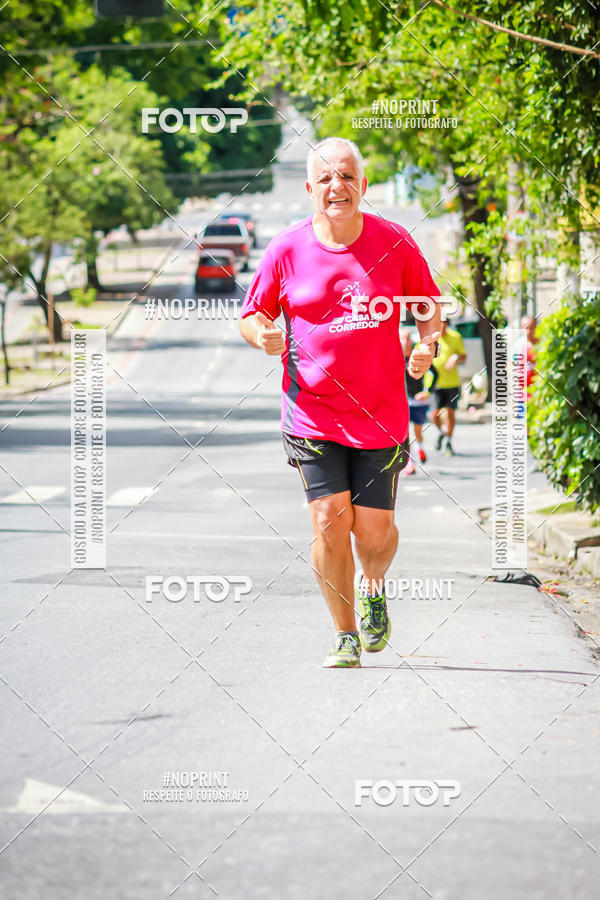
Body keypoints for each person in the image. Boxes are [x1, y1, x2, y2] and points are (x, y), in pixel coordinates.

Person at [239, 137, 441, 668]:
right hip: (312, 412)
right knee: (331, 519)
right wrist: (261, 334)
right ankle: (345, 632)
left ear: (363, 186)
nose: (337, 187)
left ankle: (373, 585)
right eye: (326, 178)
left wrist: (428, 344)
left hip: (382, 415)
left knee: (374, 534)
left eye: (347, 176)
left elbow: (427, 305)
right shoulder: (286, 249)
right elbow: (251, 314)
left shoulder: (395, 242)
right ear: (310, 189)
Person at [400, 328, 438, 475]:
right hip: (403, 399)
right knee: (405, 433)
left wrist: (427, 391)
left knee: (417, 430)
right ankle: (410, 462)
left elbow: (434, 373)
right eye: (402, 339)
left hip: (418, 399)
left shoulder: (418, 353)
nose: (405, 342)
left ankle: (419, 447)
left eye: (407, 338)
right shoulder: (394, 355)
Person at [431, 313, 466, 457]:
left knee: (451, 413)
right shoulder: (431, 337)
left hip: (452, 382)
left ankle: (448, 442)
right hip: (435, 382)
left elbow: (463, 357)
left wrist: (455, 357)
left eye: (444, 323)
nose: (442, 326)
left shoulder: (455, 337)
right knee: (435, 415)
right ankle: (442, 432)